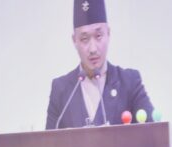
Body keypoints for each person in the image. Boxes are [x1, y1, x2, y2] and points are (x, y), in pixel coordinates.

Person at [46, 0, 155, 129]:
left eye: (98, 36)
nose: (93, 49)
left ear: (108, 33)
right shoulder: (61, 89)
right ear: (74, 40)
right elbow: (49, 140)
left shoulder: (129, 82)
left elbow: (153, 133)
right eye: (84, 39)